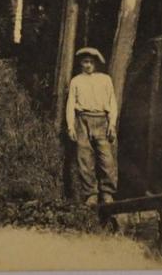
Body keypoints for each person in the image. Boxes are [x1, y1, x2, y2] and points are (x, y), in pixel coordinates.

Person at [65, 47, 119, 206]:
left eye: (90, 62)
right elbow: (70, 105)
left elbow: (112, 103)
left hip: (102, 120)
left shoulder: (105, 79)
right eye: (85, 62)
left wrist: (112, 124)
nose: (87, 65)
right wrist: (70, 126)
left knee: (107, 159)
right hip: (82, 121)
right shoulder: (76, 81)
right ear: (81, 63)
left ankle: (108, 193)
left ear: (95, 63)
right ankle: (91, 195)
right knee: (85, 158)